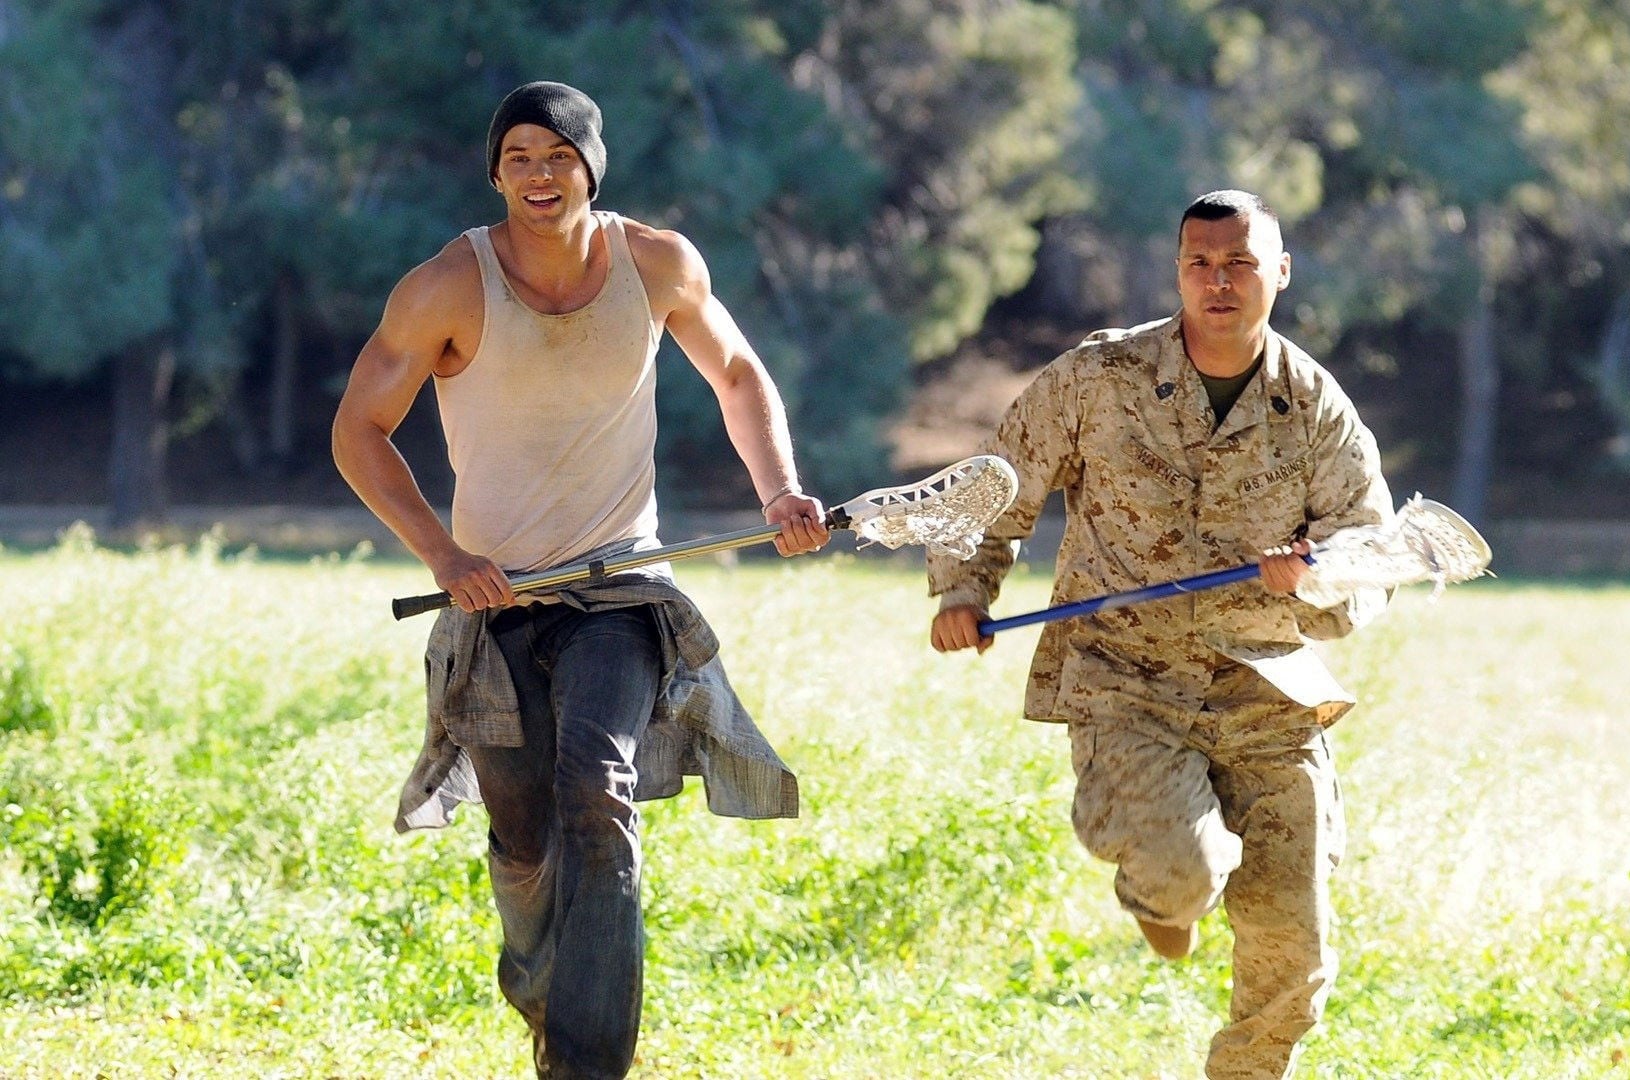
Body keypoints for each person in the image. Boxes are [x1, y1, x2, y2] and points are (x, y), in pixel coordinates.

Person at [332, 80, 829, 1079]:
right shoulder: (447, 285)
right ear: (496, 173)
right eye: (517, 157)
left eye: (557, 156)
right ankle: (542, 988)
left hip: (619, 593)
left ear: (591, 167)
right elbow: (358, 430)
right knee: (524, 848)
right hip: (497, 604)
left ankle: (586, 1064)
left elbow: (736, 373)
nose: (537, 174)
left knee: (597, 796)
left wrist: (780, 490)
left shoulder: (658, 265)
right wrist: (445, 556)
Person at [927, 189, 1395, 1079]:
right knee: (1181, 873)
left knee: (1294, 953)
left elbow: (1367, 556)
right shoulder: (1097, 379)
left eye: (1242, 262)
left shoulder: (1319, 410)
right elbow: (994, 488)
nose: (1219, 281)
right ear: (1177, 270)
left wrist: (1315, 578)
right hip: (1125, 678)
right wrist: (961, 591)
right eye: (1200, 263)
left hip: (1267, 694)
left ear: (1281, 272)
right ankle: (1162, 894)